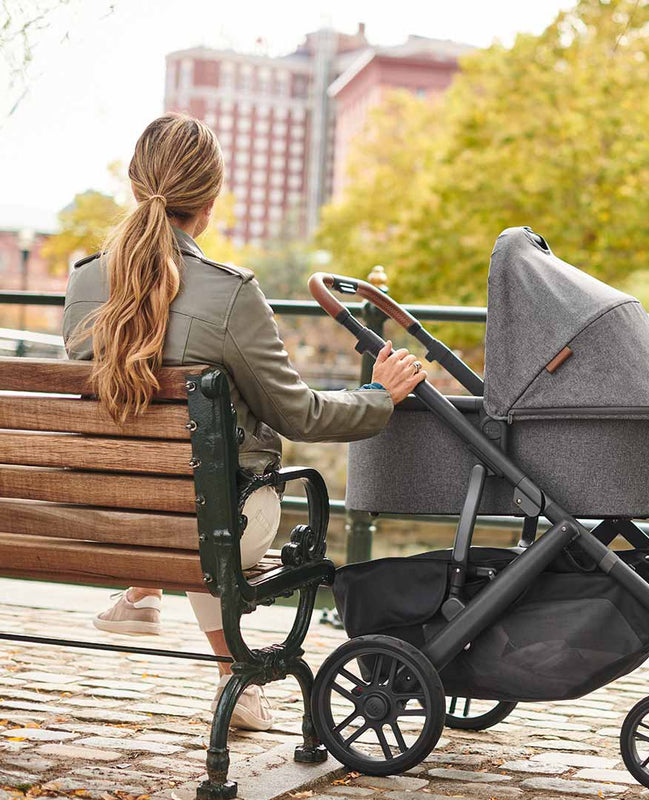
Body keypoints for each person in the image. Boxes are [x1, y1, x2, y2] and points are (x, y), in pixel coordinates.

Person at [62, 113, 427, 732]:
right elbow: (299, 413)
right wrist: (378, 396)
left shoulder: (83, 280)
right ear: (209, 204)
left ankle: (148, 596)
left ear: (135, 186)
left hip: (110, 517)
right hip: (209, 522)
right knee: (213, 500)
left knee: (193, 495)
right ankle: (210, 651)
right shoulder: (230, 293)